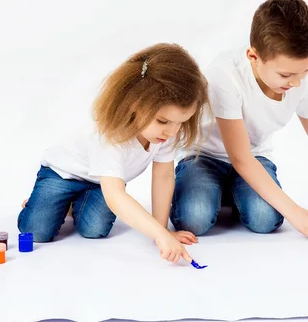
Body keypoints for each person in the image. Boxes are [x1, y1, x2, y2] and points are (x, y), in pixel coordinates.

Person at [170, 0, 308, 239]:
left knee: (265, 219)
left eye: (306, 70)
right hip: (206, 158)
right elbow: (239, 157)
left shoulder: (298, 80)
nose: (296, 82)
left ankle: (230, 192)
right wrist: (296, 212)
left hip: (254, 157)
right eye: (286, 74)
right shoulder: (225, 76)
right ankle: (217, 190)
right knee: (194, 218)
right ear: (253, 56)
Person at [18, 43, 209, 263]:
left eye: (180, 123)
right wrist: (159, 234)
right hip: (62, 175)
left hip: (101, 182)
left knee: (95, 229)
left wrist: (162, 230)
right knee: (37, 231)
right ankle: (40, 203)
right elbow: (116, 196)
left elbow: (163, 177)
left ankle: (70, 205)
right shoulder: (111, 136)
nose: (171, 131)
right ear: (136, 104)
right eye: (163, 121)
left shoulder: (165, 133)